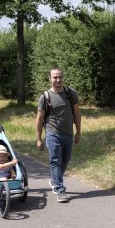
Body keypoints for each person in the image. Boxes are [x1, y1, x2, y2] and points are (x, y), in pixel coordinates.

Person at [35, 67, 81, 203]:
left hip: (68, 133)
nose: (58, 80)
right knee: (56, 161)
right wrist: (38, 138)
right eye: (55, 77)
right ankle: (60, 190)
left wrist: (78, 131)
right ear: (50, 79)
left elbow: (77, 113)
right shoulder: (45, 97)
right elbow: (39, 118)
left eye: (60, 77)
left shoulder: (70, 93)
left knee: (65, 160)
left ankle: (55, 180)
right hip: (52, 133)